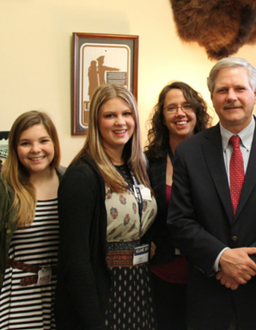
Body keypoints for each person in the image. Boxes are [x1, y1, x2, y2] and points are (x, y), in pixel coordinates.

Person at [167, 57, 256, 330]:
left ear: (255, 93)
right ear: (212, 96)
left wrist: (249, 264)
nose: (231, 97)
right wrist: (221, 257)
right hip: (209, 299)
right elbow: (180, 221)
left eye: (240, 88)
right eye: (223, 90)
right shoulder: (189, 152)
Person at [57, 84, 158, 329]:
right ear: (96, 122)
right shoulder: (82, 175)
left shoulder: (139, 166)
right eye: (110, 115)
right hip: (105, 290)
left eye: (127, 114)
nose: (120, 122)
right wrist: (93, 320)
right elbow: (76, 259)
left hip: (140, 286)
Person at [0, 111, 63, 330]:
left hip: (61, 295)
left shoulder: (72, 182)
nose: (36, 149)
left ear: (54, 143)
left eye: (43, 141)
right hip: (16, 296)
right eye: (26, 143)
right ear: (15, 148)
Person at [144, 81, 212, 330]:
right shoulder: (148, 162)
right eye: (171, 108)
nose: (180, 113)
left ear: (197, 112)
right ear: (162, 118)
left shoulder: (217, 156)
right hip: (162, 272)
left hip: (207, 273)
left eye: (186, 106)